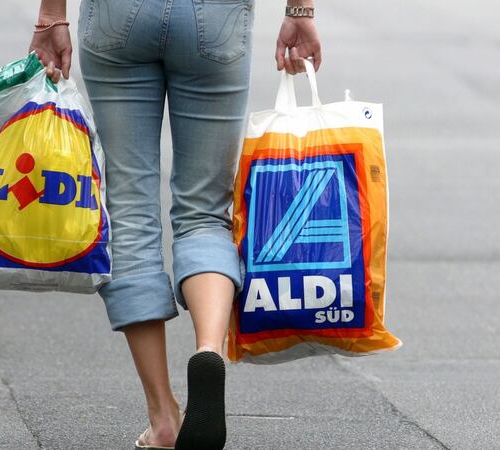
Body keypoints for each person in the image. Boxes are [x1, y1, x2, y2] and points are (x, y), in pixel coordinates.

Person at [30, 0, 321, 448]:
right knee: (205, 212)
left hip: (117, 17)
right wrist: (300, 11)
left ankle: (163, 417)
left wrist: (52, 15)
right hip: (217, 18)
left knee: (129, 212)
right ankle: (208, 350)